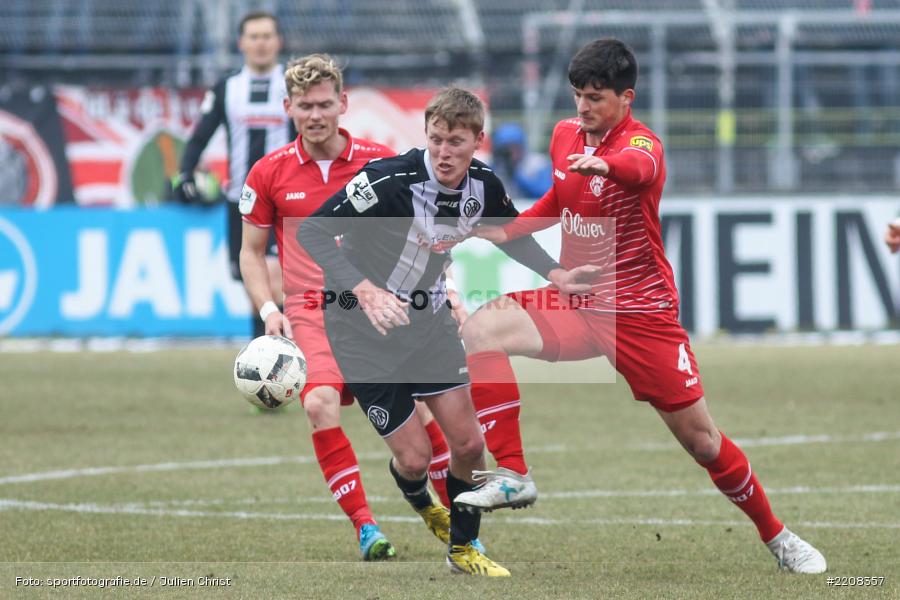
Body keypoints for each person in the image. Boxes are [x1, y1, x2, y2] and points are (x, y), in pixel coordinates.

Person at [455, 38, 828, 575]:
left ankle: (779, 537)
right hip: (580, 303)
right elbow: (551, 205)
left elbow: (637, 169)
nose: (584, 108)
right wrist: (492, 230)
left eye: (596, 98)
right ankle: (513, 473)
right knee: (482, 330)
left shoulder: (643, 145)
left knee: (702, 442)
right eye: (578, 95)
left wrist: (605, 169)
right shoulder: (565, 136)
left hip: (640, 316)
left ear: (625, 98)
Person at [297, 87, 595, 576]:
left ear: (478, 139)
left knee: (470, 444)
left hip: (429, 323)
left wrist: (557, 274)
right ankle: (418, 497)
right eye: (435, 139)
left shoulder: (484, 186)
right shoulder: (387, 181)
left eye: (455, 141)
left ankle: (463, 550)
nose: (443, 151)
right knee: (415, 460)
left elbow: (511, 234)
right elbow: (312, 231)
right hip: (360, 328)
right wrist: (367, 291)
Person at [239, 54, 460, 560]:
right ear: (287, 108)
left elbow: (424, 239)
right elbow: (251, 253)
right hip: (312, 311)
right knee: (317, 404)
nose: (315, 115)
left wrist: (446, 294)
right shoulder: (269, 172)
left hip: (383, 307)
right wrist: (270, 309)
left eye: (323, 104)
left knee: (426, 418)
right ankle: (366, 527)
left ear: (342, 102)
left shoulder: (380, 162)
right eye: (303, 106)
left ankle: (457, 526)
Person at [174, 11, 291, 338]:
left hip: (285, 201)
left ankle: (277, 352)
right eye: (254, 37)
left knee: (275, 277)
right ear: (241, 43)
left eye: (267, 36)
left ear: (278, 41)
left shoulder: (294, 86)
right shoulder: (227, 88)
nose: (261, 43)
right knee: (250, 282)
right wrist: (184, 173)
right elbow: (200, 134)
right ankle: (265, 348)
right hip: (240, 201)